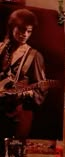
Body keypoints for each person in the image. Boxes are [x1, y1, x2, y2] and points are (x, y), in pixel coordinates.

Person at [0, 8, 48, 139]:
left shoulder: (34, 56)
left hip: (19, 113)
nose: (25, 34)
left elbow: (41, 87)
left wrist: (27, 92)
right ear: (11, 28)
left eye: (29, 31)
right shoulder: (2, 49)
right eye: (21, 30)